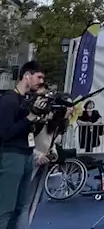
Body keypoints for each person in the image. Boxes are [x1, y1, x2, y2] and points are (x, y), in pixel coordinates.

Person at [0, 62, 45, 229]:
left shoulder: (26, 101)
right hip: (11, 155)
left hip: (27, 154)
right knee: (6, 209)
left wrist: (39, 119)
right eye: (38, 77)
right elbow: (5, 133)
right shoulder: (8, 100)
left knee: (21, 208)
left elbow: (31, 131)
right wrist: (29, 118)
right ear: (27, 76)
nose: (41, 81)